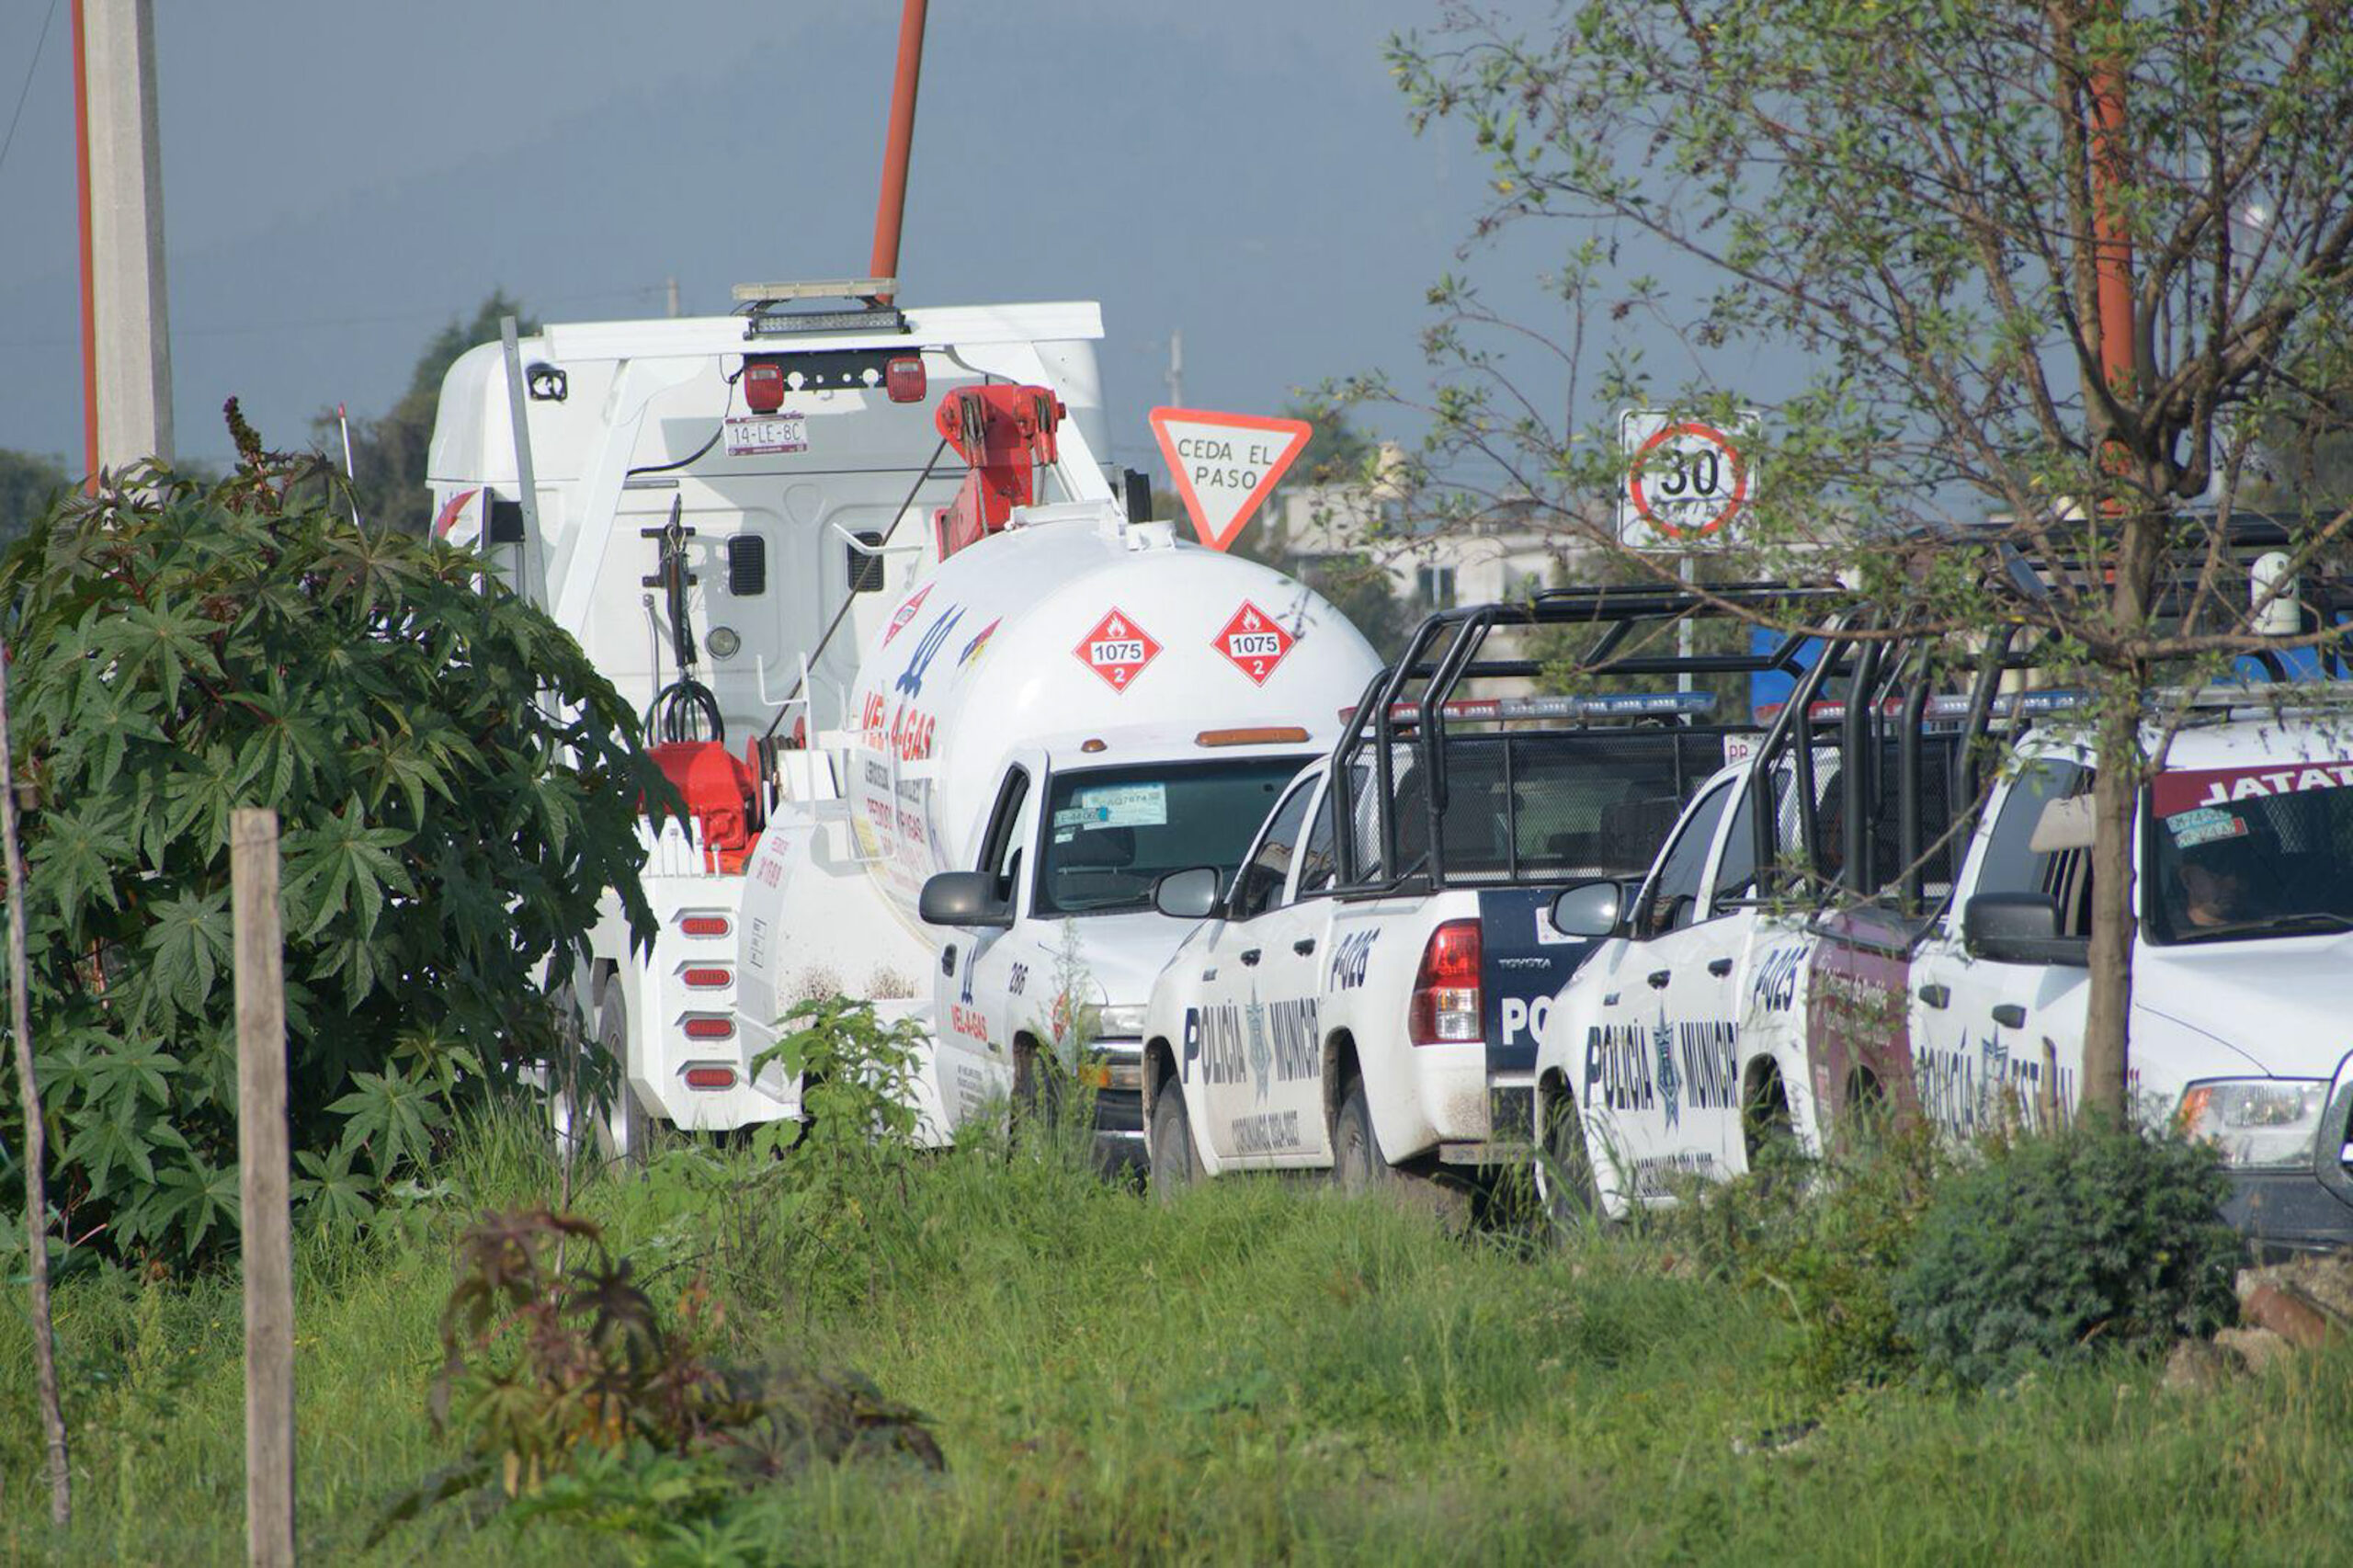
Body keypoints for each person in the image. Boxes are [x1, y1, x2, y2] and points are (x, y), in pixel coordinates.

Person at [2177, 833, 2265, 928]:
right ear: (2187, 880)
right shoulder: (2170, 932)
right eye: (2215, 877)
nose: (2233, 885)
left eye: (2240, 876)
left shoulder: (2268, 924)